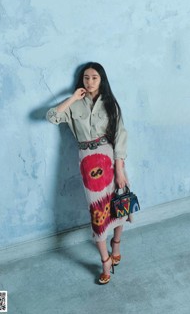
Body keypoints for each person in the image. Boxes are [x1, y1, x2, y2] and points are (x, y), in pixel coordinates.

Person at [46, 62, 129, 284]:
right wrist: (73, 98)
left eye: (94, 77)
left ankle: (116, 244)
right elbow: (52, 117)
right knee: (98, 210)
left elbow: (120, 136)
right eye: (86, 78)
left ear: (102, 79)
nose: (90, 82)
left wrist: (120, 168)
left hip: (110, 159)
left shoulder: (110, 104)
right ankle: (105, 260)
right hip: (87, 161)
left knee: (118, 202)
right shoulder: (74, 104)